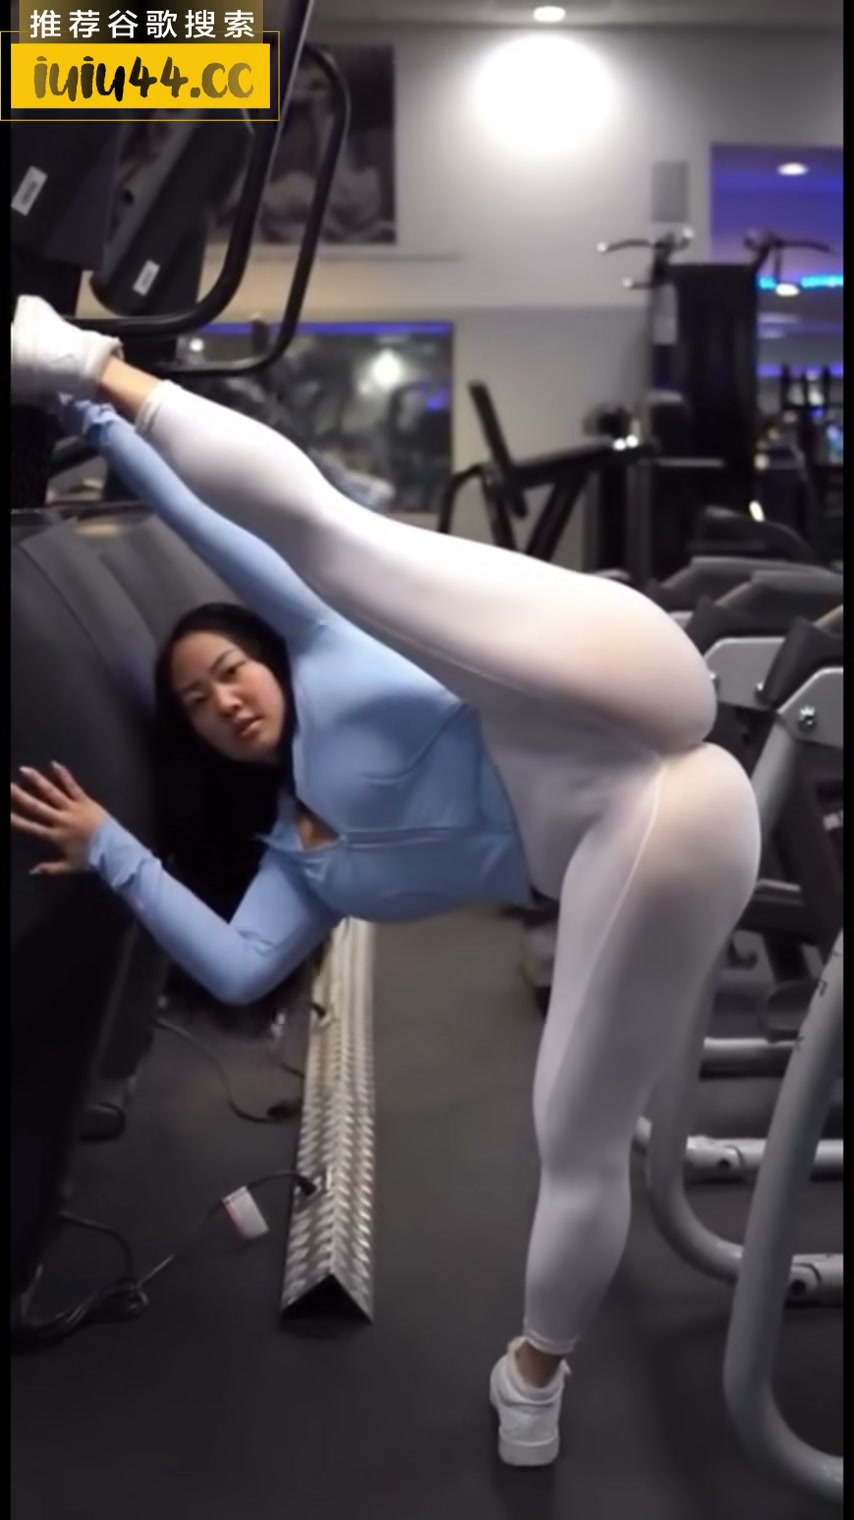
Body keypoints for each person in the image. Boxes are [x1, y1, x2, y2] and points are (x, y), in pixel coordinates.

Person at [10, 296, 761, 1470]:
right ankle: (535, 1370)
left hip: (601, 687)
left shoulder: (319, 638)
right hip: (657, 836)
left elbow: (231, 522)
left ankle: (74, 356)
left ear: (261, 651)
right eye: (197, 704)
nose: (225, 699)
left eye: (228, 669)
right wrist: (110, 843)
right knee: (571, 1133)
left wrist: (96, 421)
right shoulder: (297, 865)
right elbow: (234, 966)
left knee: (331, 537)